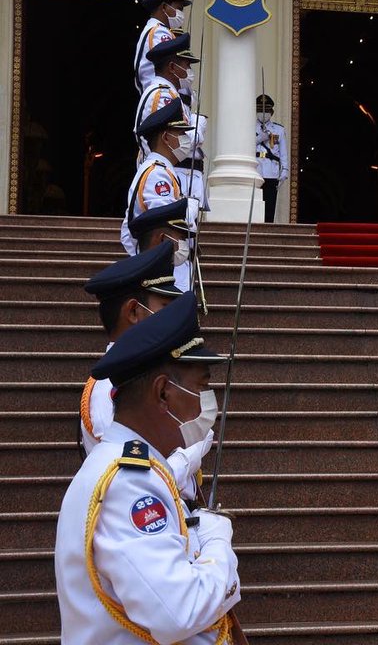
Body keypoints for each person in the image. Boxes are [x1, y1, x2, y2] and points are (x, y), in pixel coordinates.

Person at [54, 291, 244, 644]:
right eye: (202, 387)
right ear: (163, 393)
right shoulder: (128, 484)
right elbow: (180, 612)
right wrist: (218, 539)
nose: (207, 402)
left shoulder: (138, 470)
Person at [79, 243, 209, 500]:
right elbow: (131, 479)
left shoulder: (136, 376)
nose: (171, 319)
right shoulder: (112, 386)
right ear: (134, 312)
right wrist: (190, 455)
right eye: (164, 307)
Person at [121, 99, 198, 291]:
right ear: (166, 137)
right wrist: (190, 210)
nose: (186, 139)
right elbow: (165, 224)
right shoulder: (157, 174)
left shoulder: (162, 170)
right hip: (162, 267)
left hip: (164, 265)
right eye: (181, 133)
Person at [137, 35, 206, 209]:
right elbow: (168, 137)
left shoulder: (168, 92)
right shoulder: (164, 95)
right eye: (187, 65)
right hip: (169, 171)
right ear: (172, 67)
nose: (189, 71)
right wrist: (198, 129)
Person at [133, 0, 189, 93]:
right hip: (162, 95)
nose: (181, 14)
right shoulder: (158, 33)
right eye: (179, 9)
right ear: (164, 7)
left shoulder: (157, 29)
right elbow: (171, 71)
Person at [256, 94, 291, 224]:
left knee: (269, 207)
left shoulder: (278, 130)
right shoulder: (248, 128)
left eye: (266, 111)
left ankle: (266, 230)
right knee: (255, 207)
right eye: (260, 110)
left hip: (271, 171)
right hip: (255, 170)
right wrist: (259, 139)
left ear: (271, 112)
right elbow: (244, 146)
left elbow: (283, 152)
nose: (263, 114)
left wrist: (285, 170)